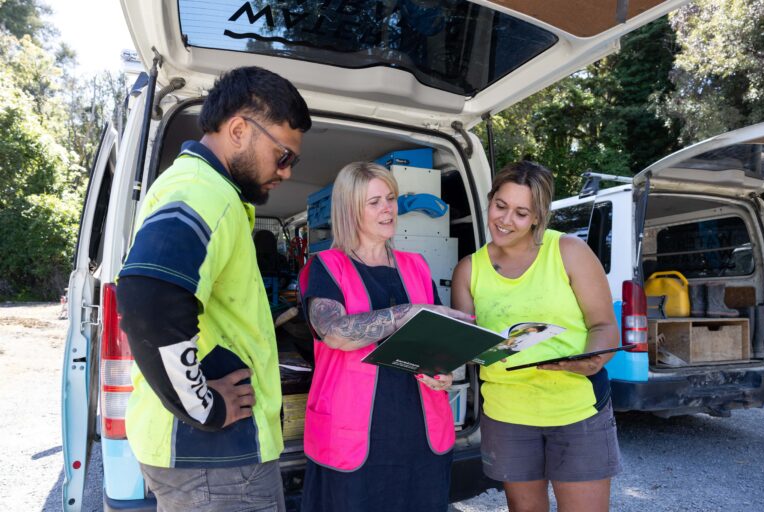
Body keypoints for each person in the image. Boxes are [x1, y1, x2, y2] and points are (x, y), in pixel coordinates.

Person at [116, 66, 311, 512]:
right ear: (239, 130)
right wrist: (204, 406)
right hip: (215, 461)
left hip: (208, 459)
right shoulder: (204, 192)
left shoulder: (205, 189)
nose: (285, 172)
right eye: (283, 155)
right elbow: (149, 298)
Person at [298, 162, 473, 512]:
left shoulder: (416, 265)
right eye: (374, 201)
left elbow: (434, 338)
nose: (387, 208)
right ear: (350, 210)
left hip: (418, 433)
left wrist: (444, 373)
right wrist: (406, 313)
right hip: (355, 435)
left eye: (390, 198)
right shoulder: (326, 266)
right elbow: (335, 333)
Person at [451, 161, 621, 512]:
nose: (505, 220)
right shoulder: (468, 269)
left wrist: (593, 361)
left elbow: (604, 326)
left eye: (520, 212)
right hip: (507, 415)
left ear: (537, 217)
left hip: (576, 411)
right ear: (490, 200)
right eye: (500, 206)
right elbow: (465, 344)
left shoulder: (569, 252)